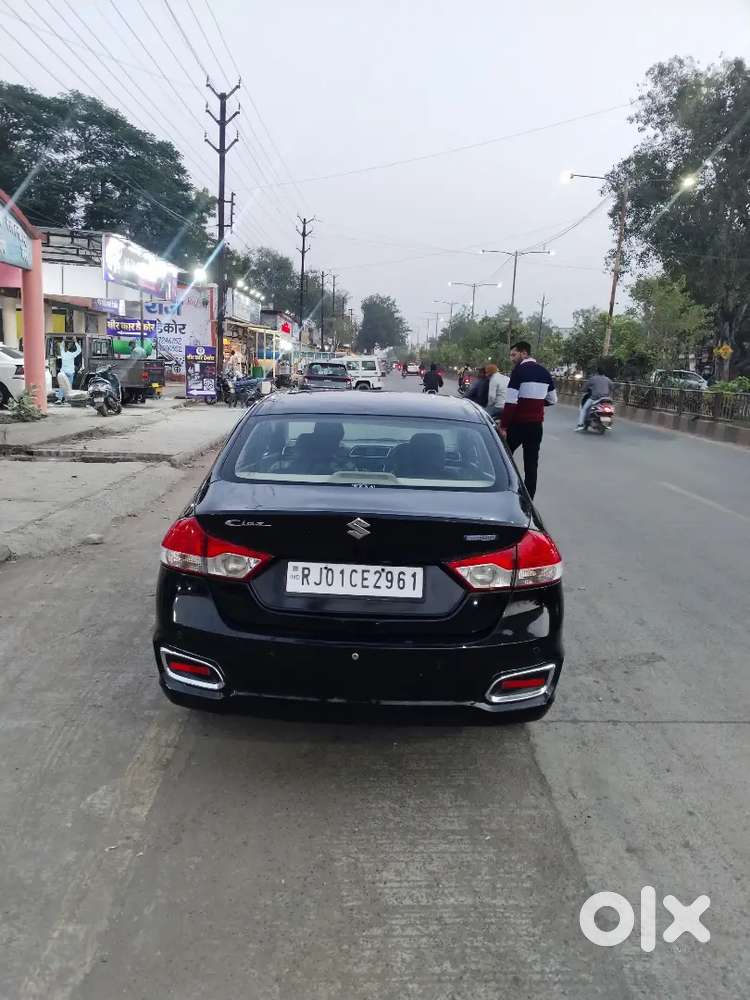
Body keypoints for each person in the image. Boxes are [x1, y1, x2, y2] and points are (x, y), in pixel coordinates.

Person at [497, 340, 557, 499]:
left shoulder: (518, 372)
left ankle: (504, 491)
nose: (512, 358)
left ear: (524, 353)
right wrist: (536, 404)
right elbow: (552, 399)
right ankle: (529, 500)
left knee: (503, 458)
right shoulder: (545, 372)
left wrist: (503, 426)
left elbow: (510, 402)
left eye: (514, 354)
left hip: (517, 425)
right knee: (531, 464)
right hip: (536, 426)